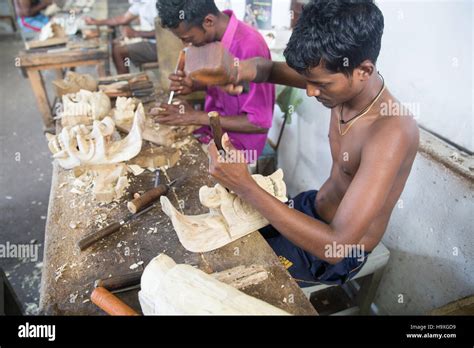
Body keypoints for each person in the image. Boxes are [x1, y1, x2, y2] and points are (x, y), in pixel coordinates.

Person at [208, 0, 420, 286]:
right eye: (308, 80)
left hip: (335, 250)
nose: (309, 91)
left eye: (320, 85)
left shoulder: (391, 133)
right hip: (313, 206)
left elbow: (338, 244)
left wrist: (245, 185)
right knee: (228, 232)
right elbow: (267, 69)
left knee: (237, 274)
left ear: (364, 71)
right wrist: (234, 71)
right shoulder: (335, 78)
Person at [152, 0, 275, 160]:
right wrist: (195, 85)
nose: (186, 44)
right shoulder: (212, 40)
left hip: (239, 147)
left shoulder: (249, 46)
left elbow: (259, 124)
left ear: (208, 21)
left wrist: (196, 117)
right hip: (210, 132)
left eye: (188, 38)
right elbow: (232, 89)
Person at [84, 0, 158, 74]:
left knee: (118, 51)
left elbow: (165, 32)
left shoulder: (155, 3)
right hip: (150, 40)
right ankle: (126, 71)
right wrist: (96, 22)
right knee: (115, 44)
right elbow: (124, 19)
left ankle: (125, 79)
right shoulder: (140, 3)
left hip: (159, 46)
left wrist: (136, 33)